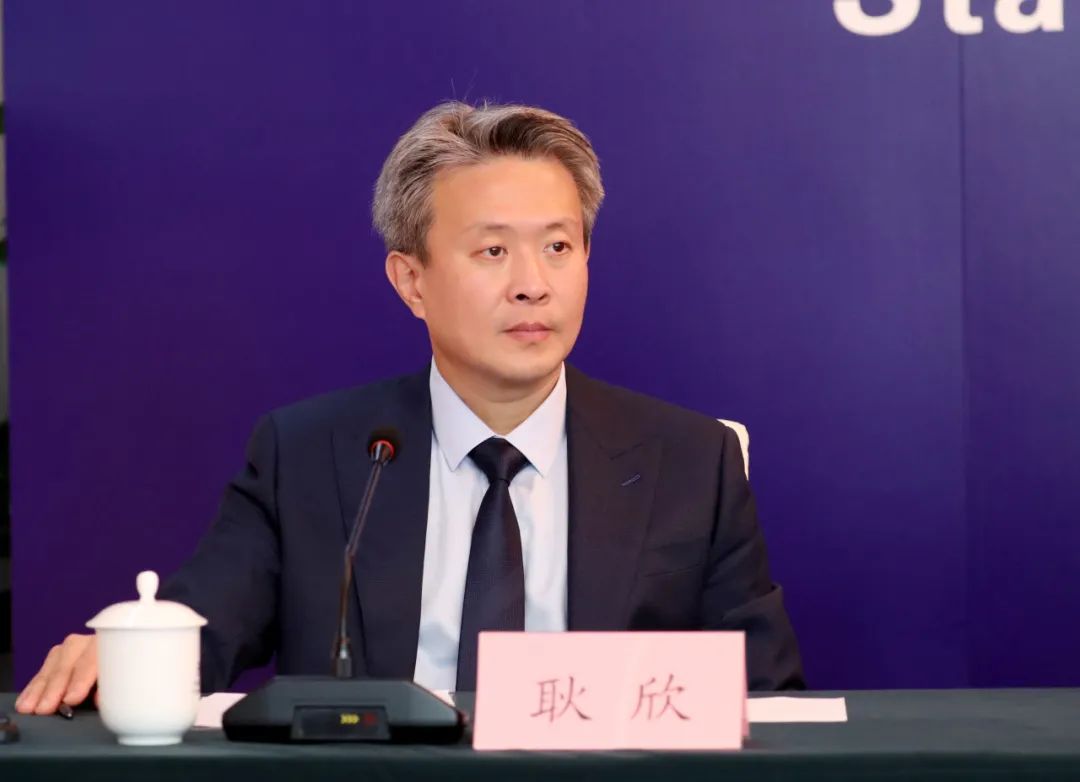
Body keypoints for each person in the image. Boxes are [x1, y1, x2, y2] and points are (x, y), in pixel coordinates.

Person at [16, 101, 804, 715]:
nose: (533, 284)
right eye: (493, 250)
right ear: (411, 280)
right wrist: (131, 656)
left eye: (558, 247)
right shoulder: (312, 455)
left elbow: (768, 706)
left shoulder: (689, 461)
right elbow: (204, 626)